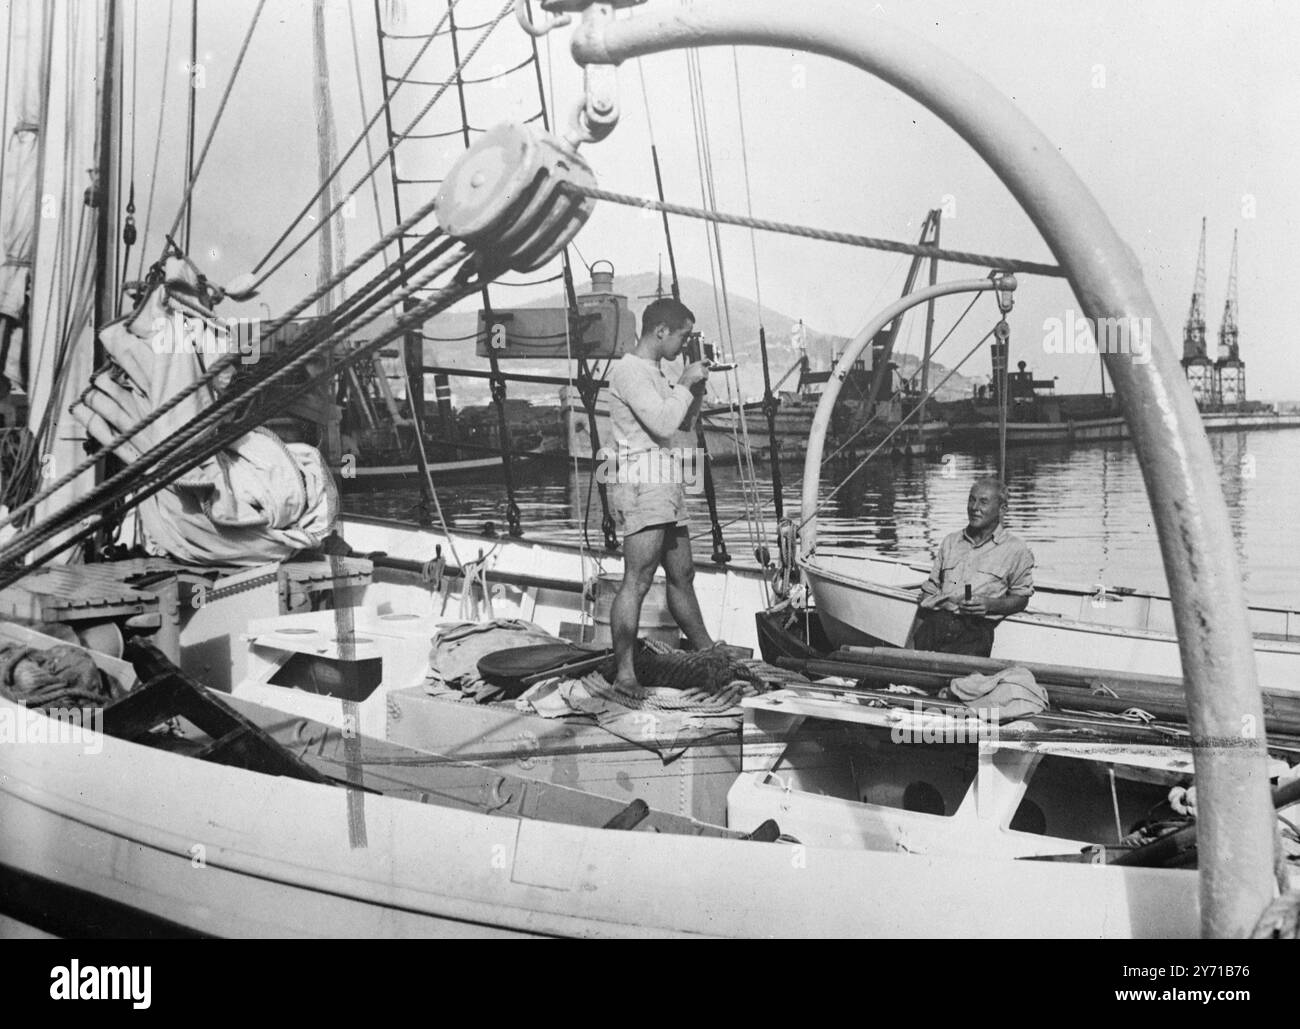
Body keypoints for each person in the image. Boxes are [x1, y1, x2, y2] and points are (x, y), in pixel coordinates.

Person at [606, 297, 715, 691]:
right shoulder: (630, 372)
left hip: (665, 482)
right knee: (637, 579)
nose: (685, 346)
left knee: (682, 574)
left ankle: (708, 655)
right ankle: (624, 674)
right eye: (683, 337)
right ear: (661, 331)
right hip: (642, 483)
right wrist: (684, 382)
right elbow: (664, 423)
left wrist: (694, 390)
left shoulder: (653, 372)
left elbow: (681, 422)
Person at [913, 476, 1034, 657]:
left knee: (954, 683)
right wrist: (907, 651)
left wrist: (990, 604)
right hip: (935, 625)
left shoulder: (1016, 549)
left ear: (1002, 510)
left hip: (974, 631)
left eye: (983, 502)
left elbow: (1021, 598)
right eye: (971, 499)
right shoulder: (951, 542)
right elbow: (929, 592)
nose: (974, 508)